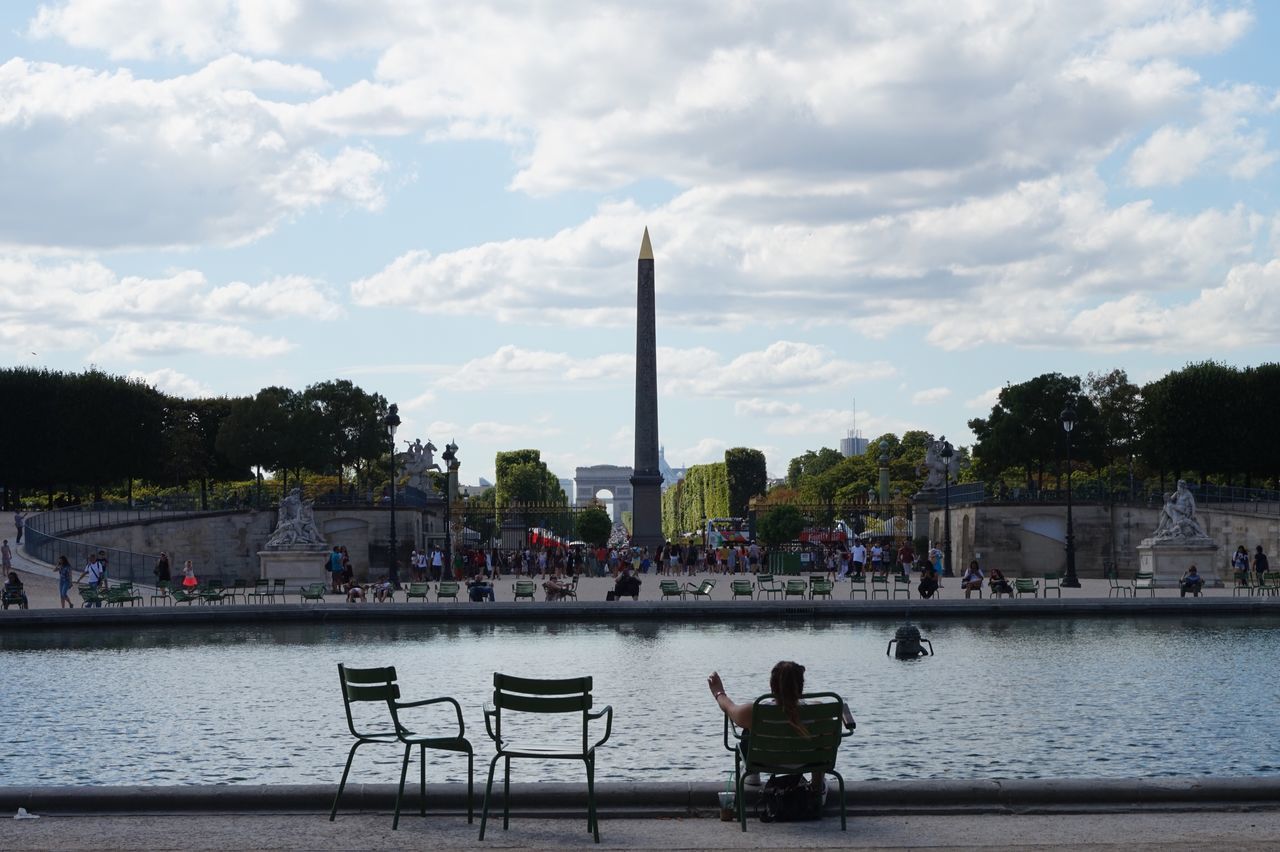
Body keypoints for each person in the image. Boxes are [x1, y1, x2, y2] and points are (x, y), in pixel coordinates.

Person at [707, 661, 855, 791]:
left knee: (748, 730)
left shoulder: (754, 711)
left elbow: (728, 708)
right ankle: (817, 785)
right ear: (801, 686)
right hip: (808, 761)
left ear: (772, 685)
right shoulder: (821, 710)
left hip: (763, 760)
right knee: (823, 736)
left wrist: (718, 692)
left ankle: (752, 775)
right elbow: (832, 742)